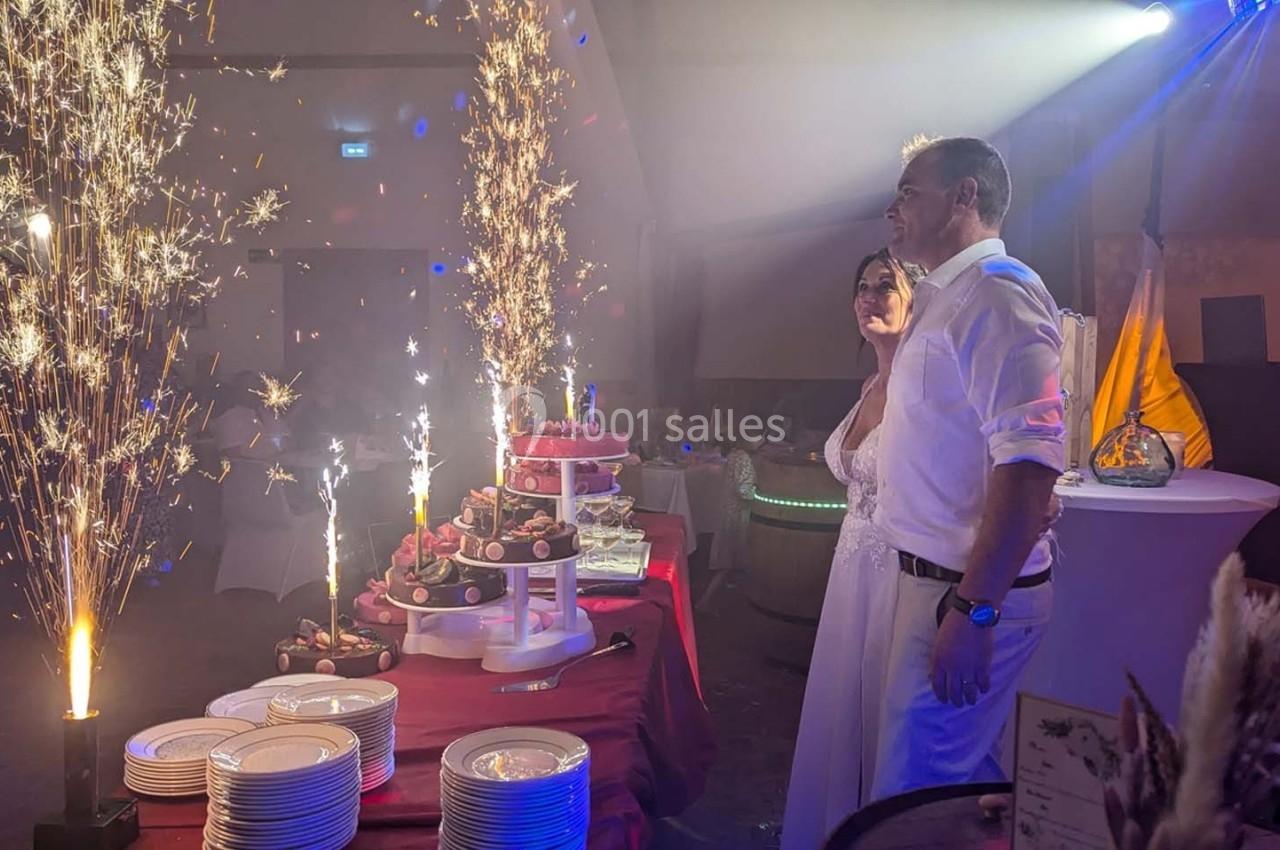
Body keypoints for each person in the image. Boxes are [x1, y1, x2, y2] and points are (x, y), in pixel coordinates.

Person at [871, 137, 1064, 798]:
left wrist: (975, 612)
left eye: (908, 191)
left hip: (966, 594)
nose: (892, 207)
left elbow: (1031, 466)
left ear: (965, 196)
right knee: (955, 791)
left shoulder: (997, 294)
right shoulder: (942, 295)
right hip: (935, 587)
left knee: (910, 801)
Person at [780, 248, 923, 848]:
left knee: (885, 716)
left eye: (884, 286)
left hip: (897, 570)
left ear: (917, 298)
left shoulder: (927, 387)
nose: (868, 297)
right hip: (850, 569)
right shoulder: (870, 384)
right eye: (861, 286)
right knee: (842, 709)